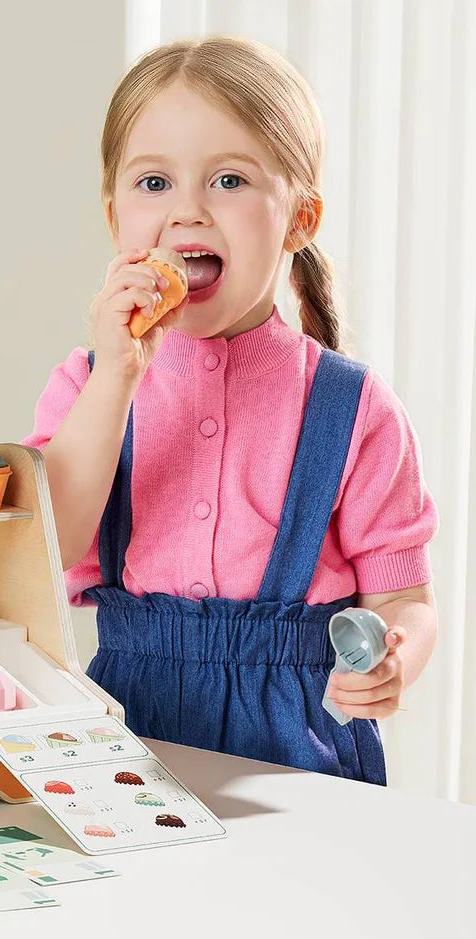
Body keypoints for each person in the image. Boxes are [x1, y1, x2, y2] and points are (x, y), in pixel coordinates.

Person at [22, 36, 439, 784]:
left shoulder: (352, 407)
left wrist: (395, 654)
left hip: (298, 748)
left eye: (228, 180)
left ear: (300, 218)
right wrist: (117, 376)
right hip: (128, 733)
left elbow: (405, 597)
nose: (188, 210)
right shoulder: (87, 385)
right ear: (114, 215)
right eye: (153, 182)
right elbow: (45, 549)